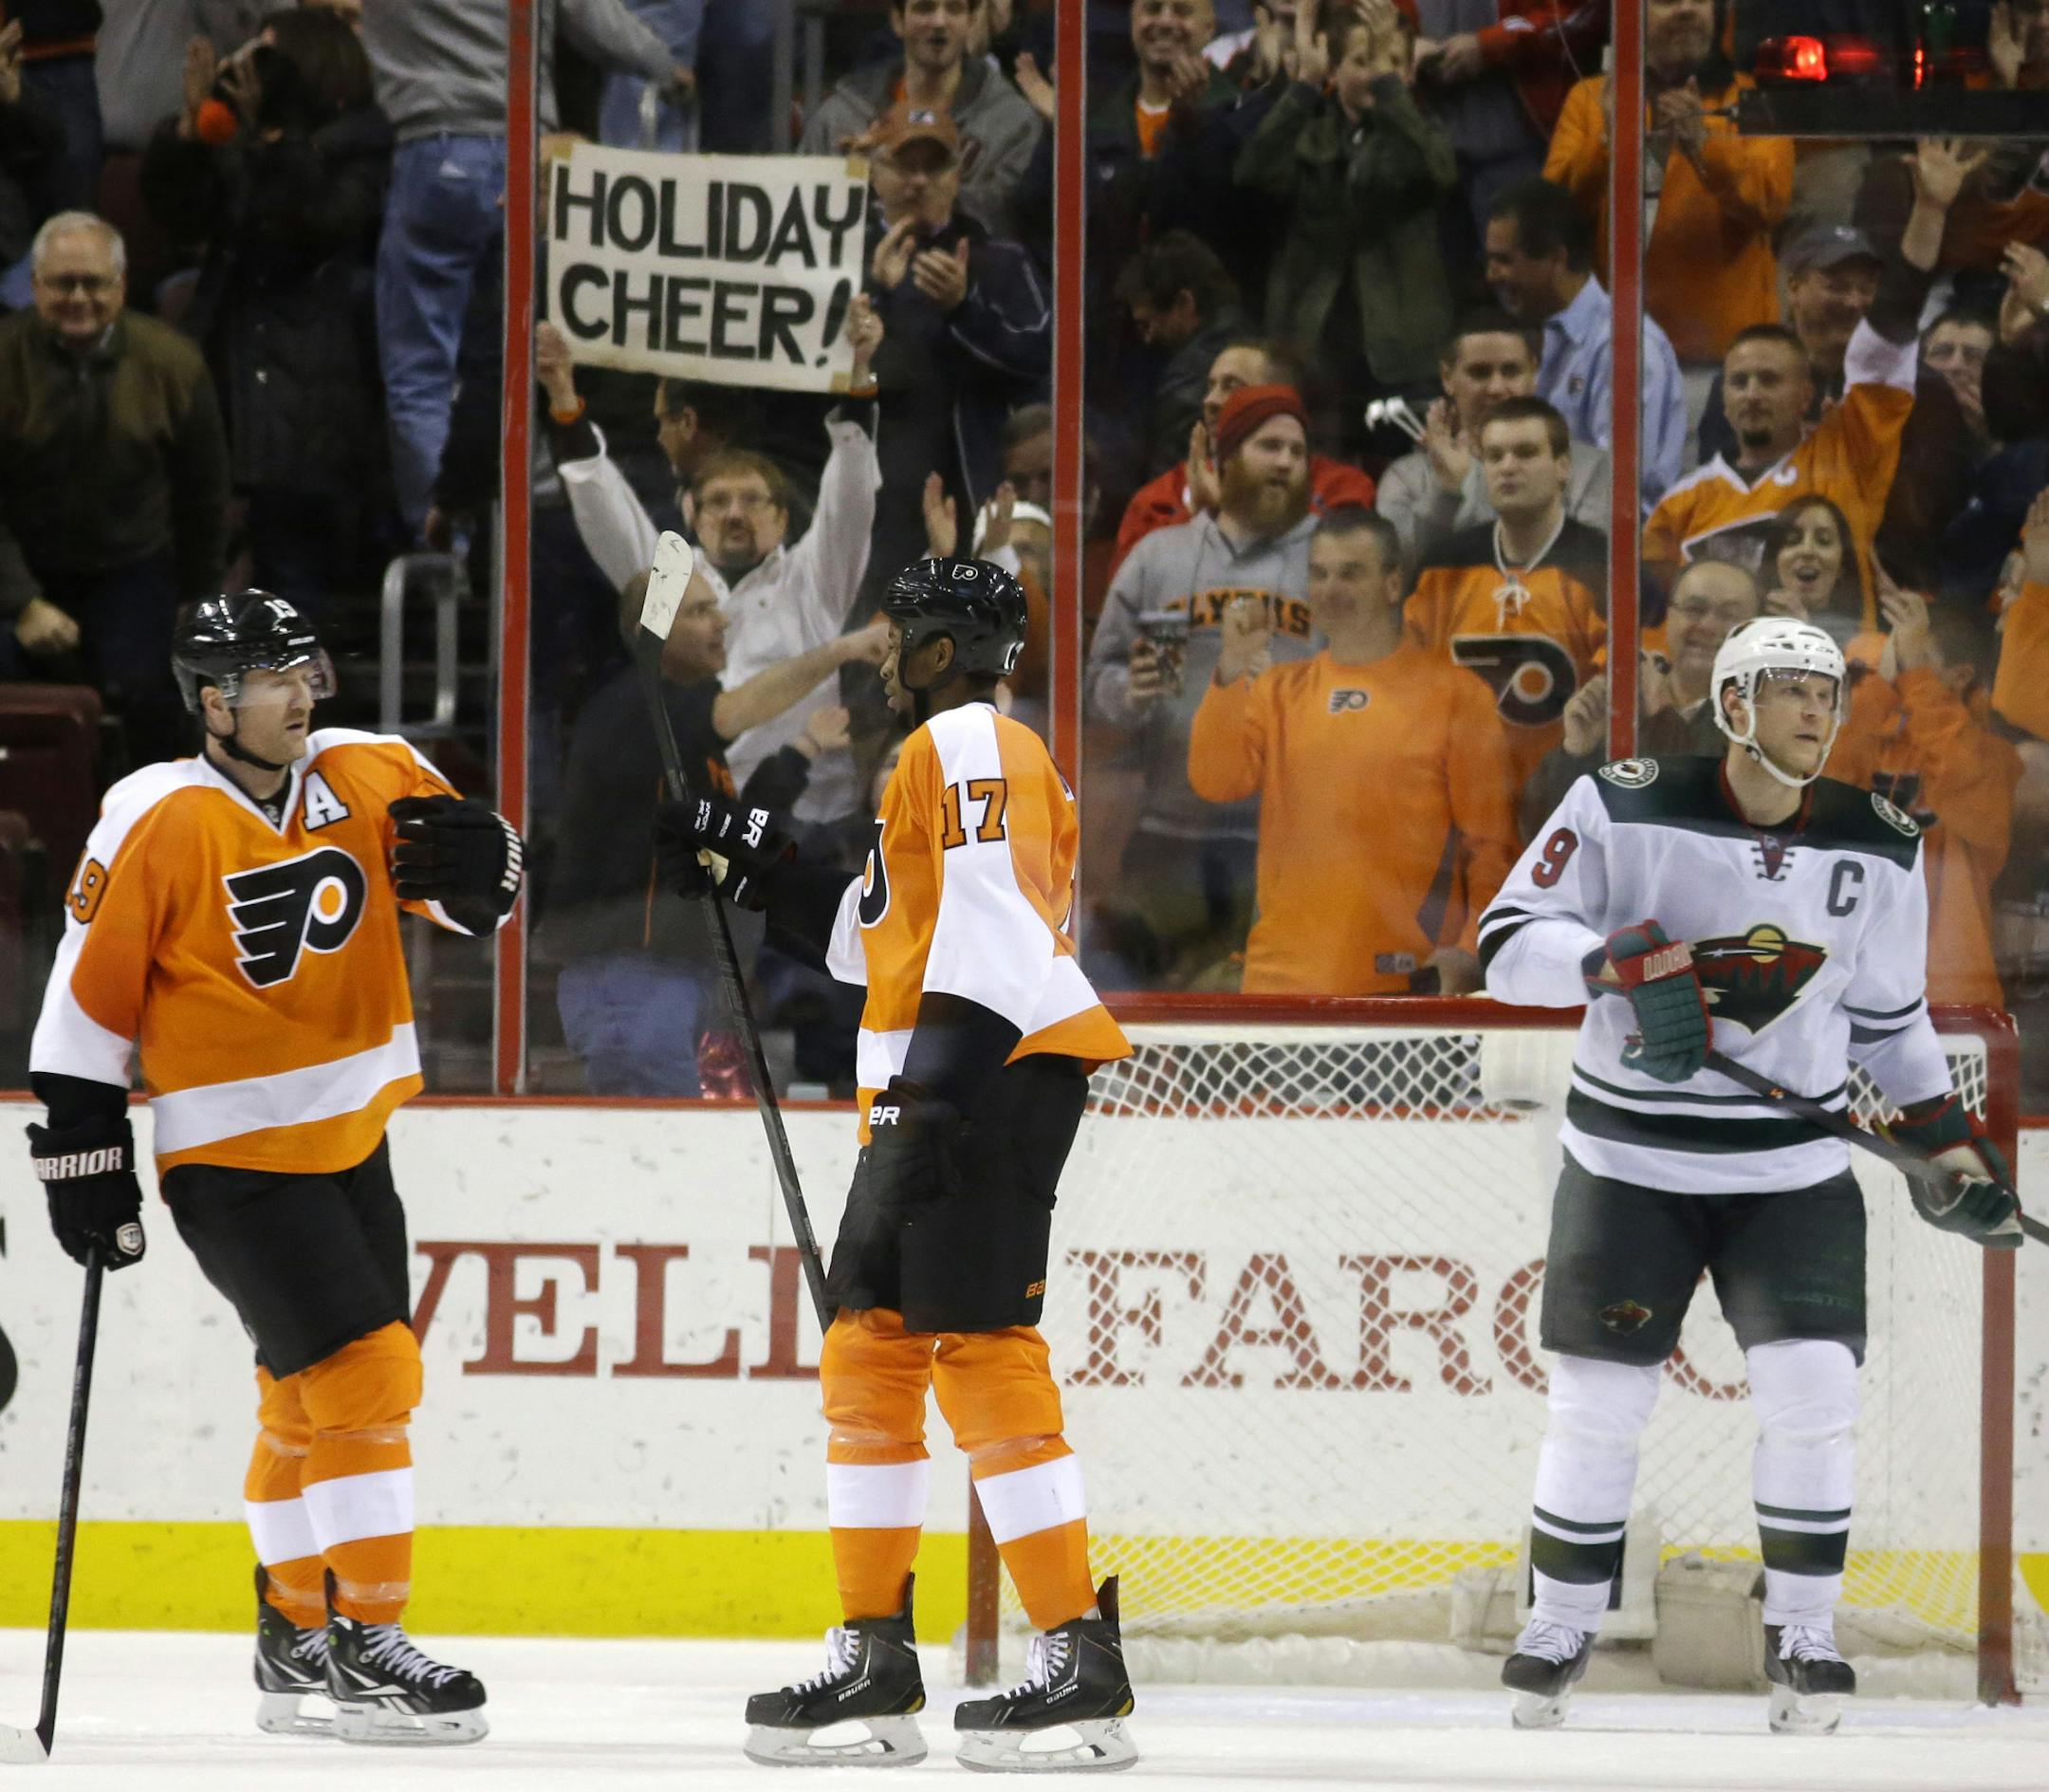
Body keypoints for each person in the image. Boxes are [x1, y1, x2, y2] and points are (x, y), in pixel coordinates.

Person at [1478, 615, 2022, 1735]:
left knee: (1814, 1397)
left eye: (1827, 690)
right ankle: (1562, 1619)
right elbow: (1505, 946)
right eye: (1787, 689)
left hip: (1794, 1173)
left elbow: (1889, 1022)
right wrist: (1603, 960)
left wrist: (1950, 1145)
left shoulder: (1879, 839)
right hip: (1629, 1161)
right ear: (1733, 706)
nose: (1816, 709)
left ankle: (1807, 1632)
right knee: (1600, 1403)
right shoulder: (1624, 800)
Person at [654, 558, 1138, 1773]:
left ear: (941, 652)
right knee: (871, 1345)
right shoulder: (934, 764)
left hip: (979, 1083)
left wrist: (918, 1120)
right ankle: (875, 1651)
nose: (881, 657)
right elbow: (881, 927)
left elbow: (987, 934)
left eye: (899, 638)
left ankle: (1079, 1657)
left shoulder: (970, 739)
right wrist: (747, 849)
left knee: (979, 1349)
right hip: (948, 1083)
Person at [27, 591, 525, 1743]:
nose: (304, 693)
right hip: (234, 1161)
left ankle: (294, 1630)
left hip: (355, 1137)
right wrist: (86, 1162)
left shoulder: (370, 769)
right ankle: (367, 1641)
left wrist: (488, 872)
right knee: (366, 1379)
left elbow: (467, 904)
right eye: (274, 677)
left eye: (308, 670)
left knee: (304, 1401)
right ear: (214, 701)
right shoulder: (156, 815)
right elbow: (80, 1016)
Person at [544, 563, 888, 1097]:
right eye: (699, 611)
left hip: (675, 981)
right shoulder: (635, 709)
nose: (721, 623)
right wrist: (839, 651)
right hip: (631, 979)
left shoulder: (680, 741)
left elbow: (733, 836)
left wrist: (802, 753)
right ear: (651, 630)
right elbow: (736, 711)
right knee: (653, 1158)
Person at [543, 299, 886, 826]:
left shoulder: (816, 579)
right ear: (690, 513)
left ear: (782, 517)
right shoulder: (673, 581)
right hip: (702, 817)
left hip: (809, 820)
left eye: (753, 500)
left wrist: (859, 373)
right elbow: (604, 509)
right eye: (719, 501)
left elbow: (854, 491)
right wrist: (566, 401)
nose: (735, 514)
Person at [362, 0, 690, 534]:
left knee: (427, 371)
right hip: (531, 144)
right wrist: (661, 62)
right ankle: (538, 520)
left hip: (434, 151)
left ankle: (443, 544)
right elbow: (588, 15)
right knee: (528, 341)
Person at [1188, 507, 1518, 994]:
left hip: (1405, 988)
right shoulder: (1278, 690)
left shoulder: (1457, 695)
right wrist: (1231, 672)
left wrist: (1469, 955)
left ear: (1391, 585)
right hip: (1279, 986)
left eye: (1350, 573)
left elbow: (1492, 849)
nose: (1329, 590)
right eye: (1318, 574)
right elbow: (1215, 781)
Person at [1644, 141, 1970, 619]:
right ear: (1724, 398)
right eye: (1740, 383)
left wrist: (1929, 211)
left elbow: (1894, 318)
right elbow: (1662, 617)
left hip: (1837, 668)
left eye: (1770, 380)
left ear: (1805, 396)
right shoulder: (1680, 505)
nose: (1753, 393)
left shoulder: (1847, 450)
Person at [138, 10, 393, 619]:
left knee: (290, 587)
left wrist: (279, 137)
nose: (252, 73)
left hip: (311, 386)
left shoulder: (362, 140)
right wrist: (192, 136)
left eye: (269, 60)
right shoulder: (245, 142)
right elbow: (180, 212)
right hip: (230, 367)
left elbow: (319, 223)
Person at [1084, 382, 1320, 988]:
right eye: (1270, 446)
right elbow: (1094, 688)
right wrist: (1129, 694)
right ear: (1227, 458)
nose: (1287, 462)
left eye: (1298, 450)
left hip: (1286, 838)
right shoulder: (1157, 556)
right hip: (1168, 832)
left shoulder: (1330, 560)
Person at [0, 211, 231, 767]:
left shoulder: (174, 362)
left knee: (150, 703)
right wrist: (22, 601)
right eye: (62, 283)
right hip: (18, 568)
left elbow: (204, 495)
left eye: (94, 283)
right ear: (34, 286)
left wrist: (197, 599)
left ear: (121, 286)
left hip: (133, 568)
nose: (78, 297)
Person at [1233, 1, 1459, 422]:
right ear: (1333, 73)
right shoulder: (1309, 128)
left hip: (1402, 352)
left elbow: (1437, 172)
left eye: (1392, 61)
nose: (1377, 72)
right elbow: (1253, 173)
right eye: (1361, 60)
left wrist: (1392, 90)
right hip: (1314, 344)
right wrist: (1303, 86)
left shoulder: (1423, 133)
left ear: (1409, 72)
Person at [1543, 0, 1791, 381]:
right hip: (1618, 360)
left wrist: (1706, 149)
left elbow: (1768, 205)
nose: (1687, 10)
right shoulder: (1589, 99)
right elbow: (1553, 219)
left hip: (1728, 363)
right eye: (1666, 0)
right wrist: (1609, 141)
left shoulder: (1753, 100)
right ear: (1629, 17)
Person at [861, 102, 1051, 595]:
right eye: (904, 165)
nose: (919, 181)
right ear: (874, 173)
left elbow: (1039, 358)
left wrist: (962, 308)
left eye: (935, 167)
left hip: (970, 495)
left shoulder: (1000, 260)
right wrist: (881, 293)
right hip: (870, 504)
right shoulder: (836, 257)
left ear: (957, 176)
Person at [1405, 396, 1607, 804]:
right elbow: (1404, 681)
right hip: (1458, 801)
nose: (1508, 466)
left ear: (1563, 466)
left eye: (1527, 453)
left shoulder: (1603, 563)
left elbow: (1618, 692)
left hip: (1567, 798)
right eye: (1494, 456)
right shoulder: (1443, 565)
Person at [1515, 555, 1760, 838]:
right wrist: (1575, 752)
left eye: (1729, 615)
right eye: (1694, 609)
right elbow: (1538, 831)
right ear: (1669, 617)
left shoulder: (1763, 719)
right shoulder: (1620, 703)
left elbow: (1697, 820)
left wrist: (1660, 714)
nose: (1707, 626)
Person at [1486, 176, 1689, 508]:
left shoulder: (1625, 347)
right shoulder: (1542, 336)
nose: (1491, 275)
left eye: (1505, 261)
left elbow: (1615, 488)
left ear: (1556, 259)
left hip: (1612, 546)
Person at [1113, 336, 1375, 573]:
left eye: (1231, 386)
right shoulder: (1157, 499)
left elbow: (1345, 583)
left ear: (1283, 399)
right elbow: (1135, 596)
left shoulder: (1343, 489)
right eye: (1211, 386)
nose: (1210, 401)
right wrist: (1196, 518)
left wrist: (1230, 512)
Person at [1375, 308, 1612, 564]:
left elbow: (1592, 569)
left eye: (1511, 371)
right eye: (1479, 373)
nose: (1497, 388)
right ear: (1447, 378)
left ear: (1534, 373)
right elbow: (1398, 572)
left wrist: (1472, 488)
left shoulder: (1590, 469)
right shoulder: (1406, 478)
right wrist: (1447, 494)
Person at [801, 0, 1043, 239]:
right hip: (861, 272)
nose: (939, 22)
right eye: (924, 8)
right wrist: (854, 174)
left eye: (954, 9)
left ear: (970, 21)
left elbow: (1008, 221)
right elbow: (800, 212)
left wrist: (893, 186)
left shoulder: (1014, 124)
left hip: (967, 271)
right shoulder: (842, 117)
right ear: (897, 20)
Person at [1113, 230, 1246, 481]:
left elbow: (1168, 487)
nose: (1147, 338)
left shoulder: (1187, 383)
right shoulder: (1253, 340)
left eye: (1146, 324)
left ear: (1184, 303)